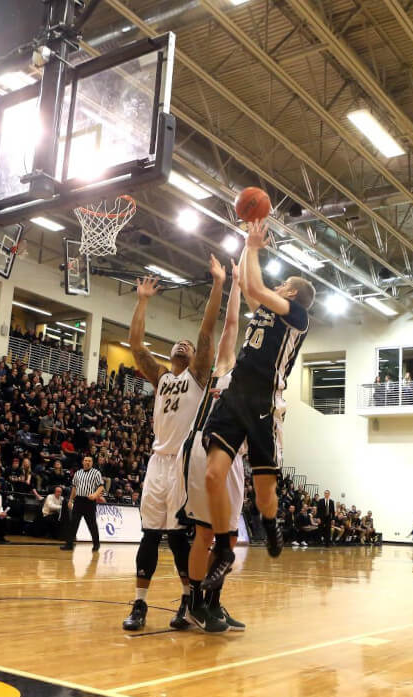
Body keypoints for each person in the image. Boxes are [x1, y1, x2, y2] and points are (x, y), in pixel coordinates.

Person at [202, 219, 315, 586]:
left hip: (266, 403)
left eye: (283, 286)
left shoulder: (297, 317)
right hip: (236, 395)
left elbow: (255, 285)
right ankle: (224, 549)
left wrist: (251, 246)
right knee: (212, 475)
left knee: (266, 494)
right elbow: (251, 289)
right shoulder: (266, 311)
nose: (278, 287)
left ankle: (270, 521)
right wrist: (247, 253)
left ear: (292, 294)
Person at [121, 255, 225, 632]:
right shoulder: (161, 377)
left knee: (180, 537)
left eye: (188, 344)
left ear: (196, 358)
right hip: (157, 461)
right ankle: (140, 603)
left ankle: (187, 601)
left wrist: (217, 284)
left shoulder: (198, 375)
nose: (183, 344)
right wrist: (143, 300)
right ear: (170, 355)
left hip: (184, 461)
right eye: (177, 344)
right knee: (150, 533)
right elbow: (135, 344)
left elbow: (206, 331)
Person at [179, 259, 248, 632]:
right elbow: (232, 324)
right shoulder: (225, 367)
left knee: (229, 536)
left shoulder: (260, 386)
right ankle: (193, 605)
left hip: (233, 458)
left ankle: (215, 603)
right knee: (206, 533)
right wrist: (234, 283)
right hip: (204, 449)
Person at [61, 455, 104, 551]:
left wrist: (95, 495)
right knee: (73, 523)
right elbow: (74, 488)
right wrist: (71, 500)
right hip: (78, 501)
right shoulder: (78, 473)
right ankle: (69, 544)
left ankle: (96, 544)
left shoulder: (96, 473)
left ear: (92, 463)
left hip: (89, 502)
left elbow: (101, 487)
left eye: (89, 461)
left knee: (92, 524)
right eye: (86, 460)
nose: (87, 462)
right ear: (83, 462)